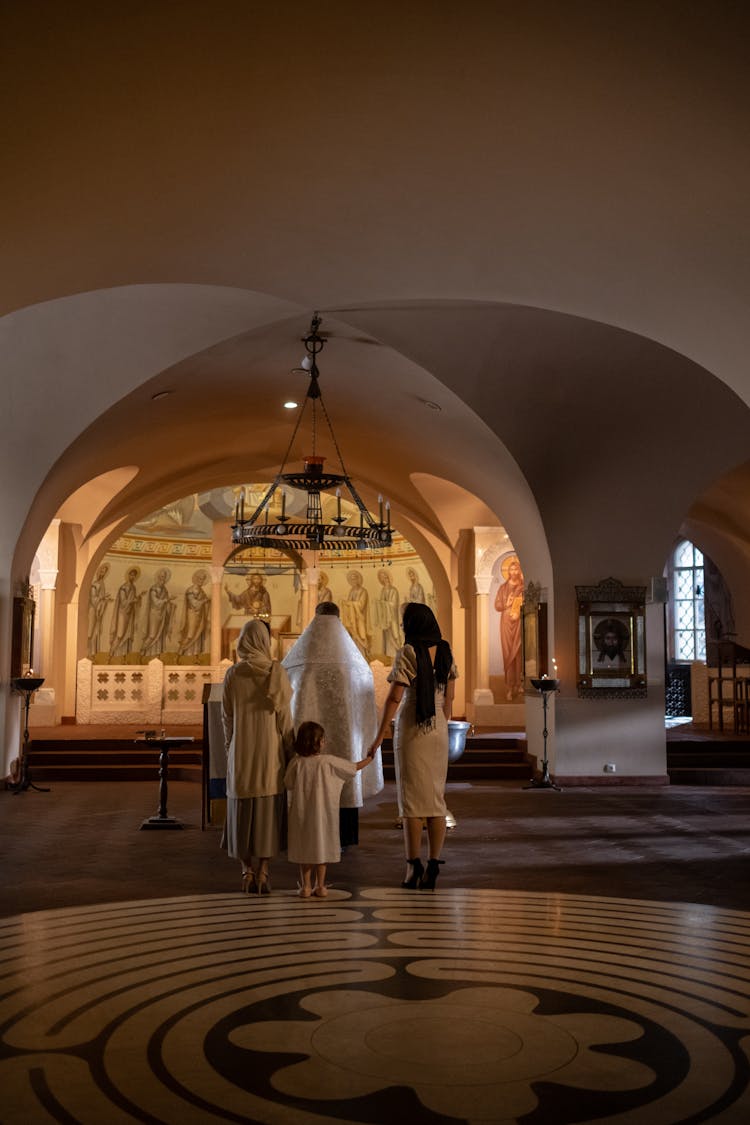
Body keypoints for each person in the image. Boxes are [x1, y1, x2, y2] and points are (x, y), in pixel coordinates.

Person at [368, 602, 457, 891]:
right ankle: (433, 864)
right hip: (439, 728)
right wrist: (440, 725)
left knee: (411, 802)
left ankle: (412, 867)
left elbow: (395, 698)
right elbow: (450, 699)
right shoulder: (445, 650)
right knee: (435, 801)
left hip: (412, 727)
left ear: (412, 625)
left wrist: (380, 733)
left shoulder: (408, 652)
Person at [282, 601, 383, 847]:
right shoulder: (354, 662)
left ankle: (305, 836)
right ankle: (345, 836)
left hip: (306, 743)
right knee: (344, 776)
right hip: (346, 740)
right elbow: (365, 702)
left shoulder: (299, 659)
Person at [221, 618, 294, 894]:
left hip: (241, 752)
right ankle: (263, 871)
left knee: (241, 813)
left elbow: (226, 718)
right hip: (269, 754)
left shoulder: (233, 675)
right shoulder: (277, 672)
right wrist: (290, 751)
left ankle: (246, 870)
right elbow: (286, 720)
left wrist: (231, 748)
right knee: (267, 816)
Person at [285, 720, 375, 898]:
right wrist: (370, 758)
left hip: (302, 816)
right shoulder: (328, 762)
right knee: (322, 849)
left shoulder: (297, 763)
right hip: (324, 815)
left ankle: (306, 887)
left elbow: (287, 783)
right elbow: (353, 768)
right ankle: (321, 886)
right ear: (319, 743)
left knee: (305, 850)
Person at [495, 555, 524, 700]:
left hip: (519, 622)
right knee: (508, 654)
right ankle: (509, 686)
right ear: (508, 571)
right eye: (511, 569)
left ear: (519, 571)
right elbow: (497, 605)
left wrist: (520, 612)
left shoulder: (524, 587)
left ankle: (520, 684)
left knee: (519, 653)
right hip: (506, 622)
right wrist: (507, 603)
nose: (513, 572)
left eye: (516, 569)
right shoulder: (503, 588)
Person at [140, 567, 175, 658]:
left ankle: (156, 657)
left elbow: (166, 603)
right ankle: (142, 651)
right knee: (152, 635)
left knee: (160, 636)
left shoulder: (165, 590)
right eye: (161, 577)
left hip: (162, 615)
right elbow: (156, 602)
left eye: (164, 577)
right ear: (158, 577)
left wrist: (171, 605)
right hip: (154, 614)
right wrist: (167, 599)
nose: (162, 579)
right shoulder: (153, 589)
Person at [109, 567, 142, 660]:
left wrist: (138, 598)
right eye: (131, 575)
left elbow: (133, 601)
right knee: (120, 635)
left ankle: (124, 658)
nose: (133, 577)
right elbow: (123, 602)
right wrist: (135, 599)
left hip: (130, 615)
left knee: (127, 636)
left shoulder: (133, 587)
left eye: (134, 576)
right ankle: (110, 655)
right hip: (122, 614)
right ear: (128, 575)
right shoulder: (123, 588)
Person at [178, 569, 211, 657]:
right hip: (192, 616)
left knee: (198, 635)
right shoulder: (190, 590)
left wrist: (207, 602)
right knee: (190, 635)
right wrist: (204, 601)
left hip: (200, 616)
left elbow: (205, 603)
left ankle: (195, 656)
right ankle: (179, 654)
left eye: (203, 579)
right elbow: (194, 603)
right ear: (196, 579)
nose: (201, 581)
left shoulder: (202, 591)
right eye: (200, 579)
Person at [341, 568, 371, 659]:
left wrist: (349, 603)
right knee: (353, 636)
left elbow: (361, 605)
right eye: (352, 579)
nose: (353, 581)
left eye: (355, 578)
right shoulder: (352, 591)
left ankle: (363, 655)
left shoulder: (363, 591)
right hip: (352, 619)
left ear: (358, 579)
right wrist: (345, 603)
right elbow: (349, 603)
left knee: (361, 636)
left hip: (360, 618)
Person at [87, 562, 111, 657]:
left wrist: (104, 600)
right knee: (90, 631)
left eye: (104, 572)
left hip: (98, 611)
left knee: (96, 632)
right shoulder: (95, 584)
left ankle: (92, 653)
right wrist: (102, 598)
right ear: (98, 571)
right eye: (101, 571)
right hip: (92, 611)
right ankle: (87, 652)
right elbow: (93, 599)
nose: (102, 573)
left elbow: (100, 598)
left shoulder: (102, 584)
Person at [375, 568, 401, 657]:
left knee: (394, 635)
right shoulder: (383, 590)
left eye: (386, 577)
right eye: (382, 578)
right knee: (386, 636)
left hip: (392, 618)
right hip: (385, 618)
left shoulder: (394, 590)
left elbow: (393, 604)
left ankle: (396, 654)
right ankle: (388, 655)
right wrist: (378, 603)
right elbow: (382, 603)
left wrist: (382, 603)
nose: (385, 579)